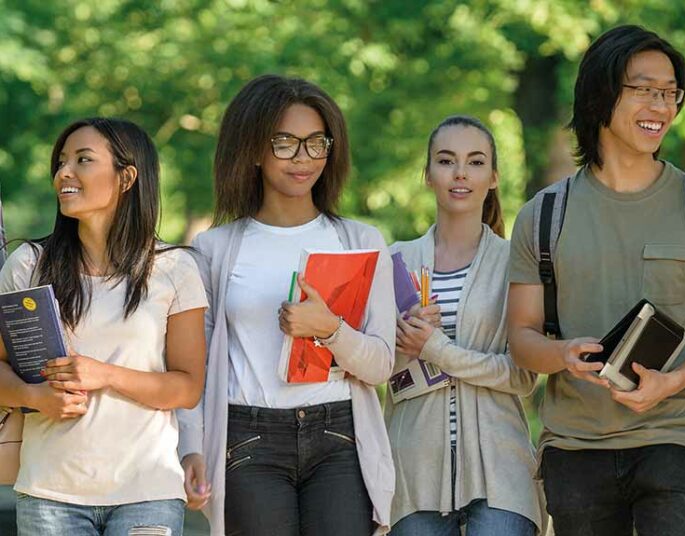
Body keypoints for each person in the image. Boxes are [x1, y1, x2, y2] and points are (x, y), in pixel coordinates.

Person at [507, 25, 685, 536]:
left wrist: (674, 382)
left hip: (678, 437)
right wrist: (563, 354)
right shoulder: (543, 215)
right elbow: (522, 337)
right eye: (644, 89)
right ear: (601, 94)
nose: (660, 106)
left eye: (670, 93)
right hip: (575, 447)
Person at [178, 74, 396, 536]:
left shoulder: (360, 241)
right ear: (254, 150)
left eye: (317, 143)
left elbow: (380, 366)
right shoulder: (214, 249)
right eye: (285, 143)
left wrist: (330, 329)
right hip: (248, 439)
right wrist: (190, 448)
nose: (304, 158)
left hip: (340, 437)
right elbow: (192, 369)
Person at [0, 117, 208, 536]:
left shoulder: (174, 269)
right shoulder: (28, 264)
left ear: (127, 176)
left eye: (83, 160)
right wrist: (34, 396)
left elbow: (187, 388)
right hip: (50, 496)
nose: (64, 173)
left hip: (147, 493)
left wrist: (104, 374)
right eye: (61, 162)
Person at [387, 115, 543, 535]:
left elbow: (524, 374)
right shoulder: (393, 261)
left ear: (493, 178)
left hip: (501, 474)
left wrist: (437, 348)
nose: (460, 173)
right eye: (445, 160)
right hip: (413, 475)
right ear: (427, 175)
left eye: (475, 162)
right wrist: (402, 342)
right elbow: (376, 373)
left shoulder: (516, 264)